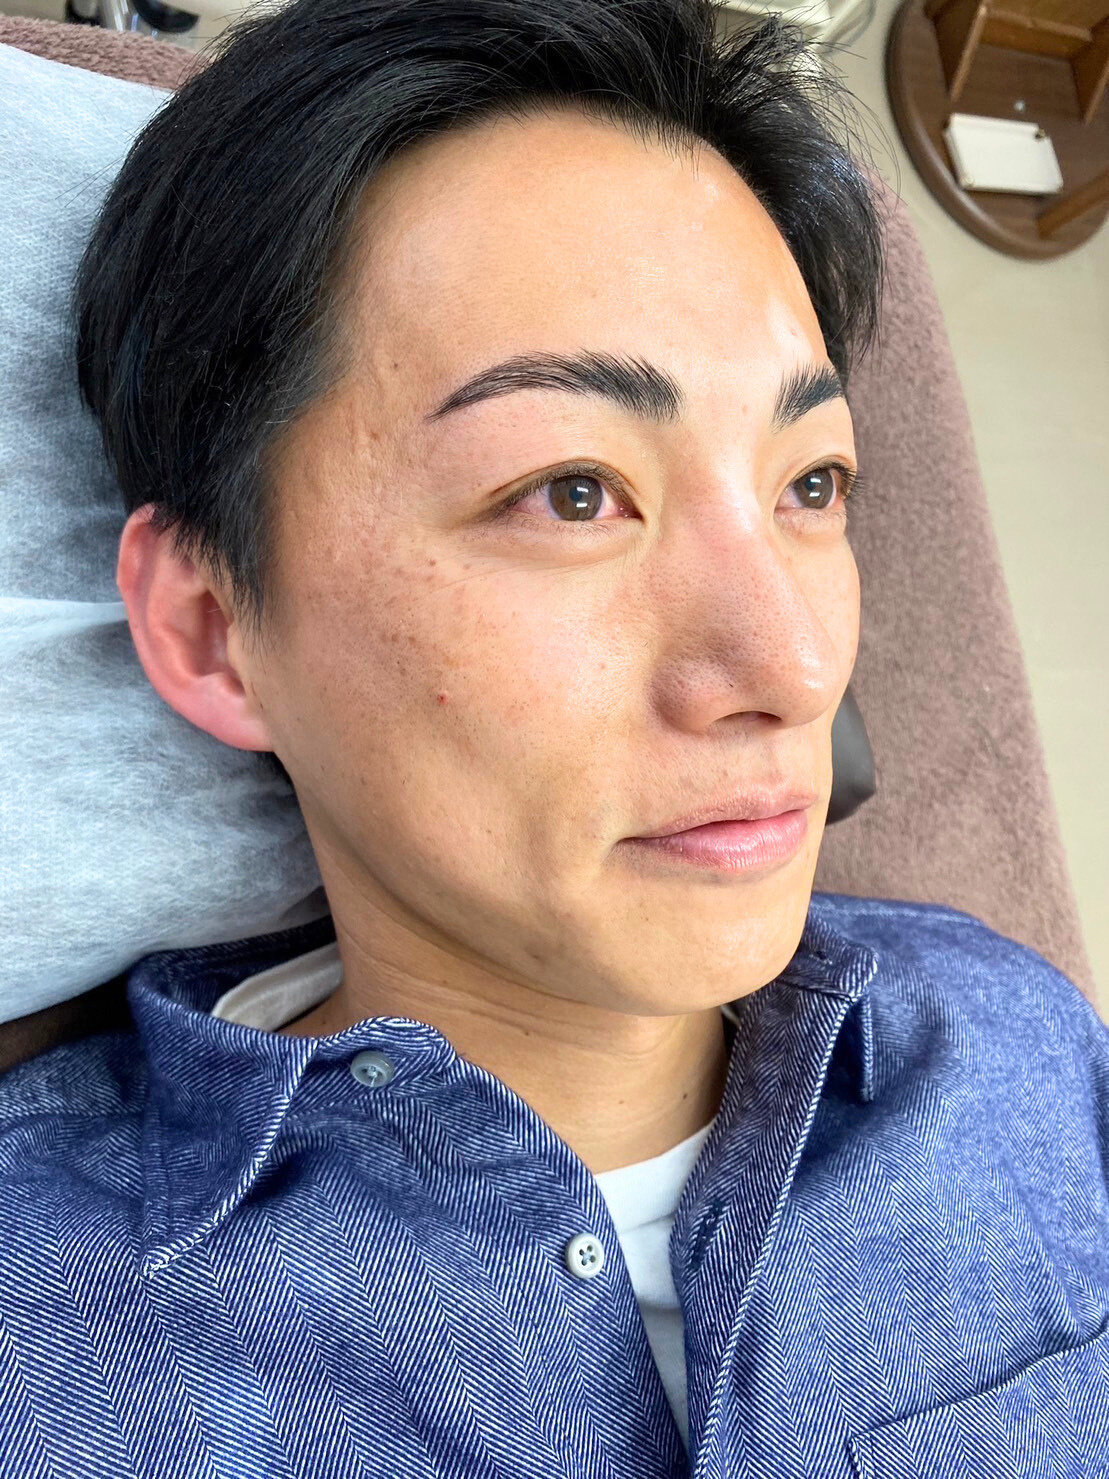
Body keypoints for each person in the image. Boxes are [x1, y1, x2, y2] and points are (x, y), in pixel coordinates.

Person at [2, 0, 1107, 1473]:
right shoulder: (42, 1335)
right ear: (212, 629)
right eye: (572, 492)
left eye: (811, 484)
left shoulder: (1014, 1041)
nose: (791, 668)